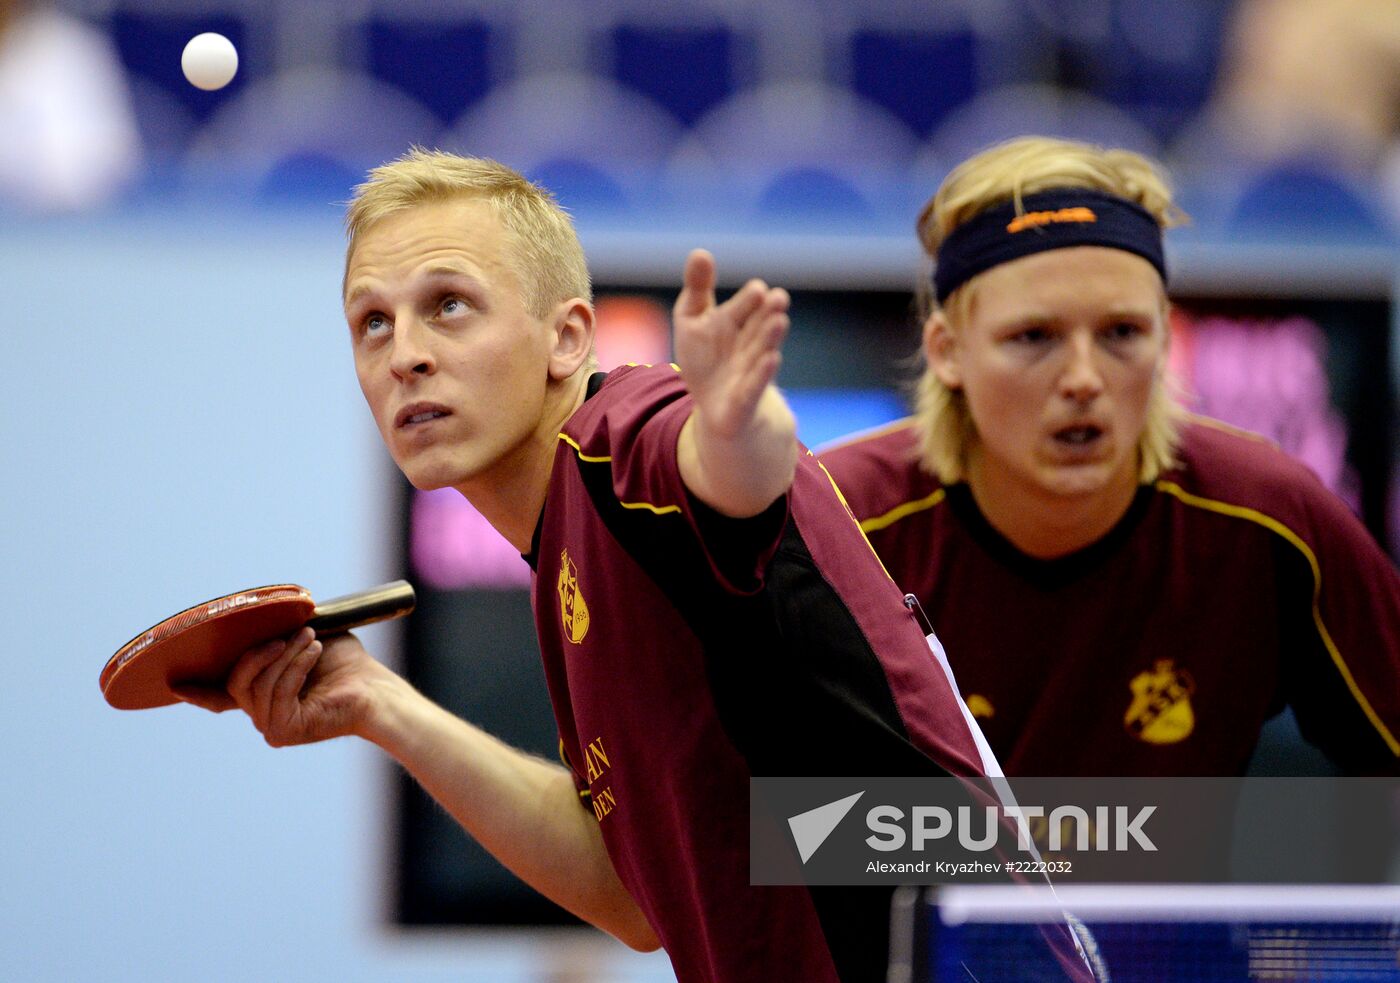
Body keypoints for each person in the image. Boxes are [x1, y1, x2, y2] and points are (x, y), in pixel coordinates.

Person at [172, 149, 1092, 982]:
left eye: (448, 305)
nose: (405, 354)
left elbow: (726, 471)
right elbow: (632, 900)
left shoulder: (629, 440)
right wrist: (384, 707)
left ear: (569, 338)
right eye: (372, 323)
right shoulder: (567, 556)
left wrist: (738, 423)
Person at [819, 136, 1400, 778]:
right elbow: (756, 826)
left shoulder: (1274, 518)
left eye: (1122, 333)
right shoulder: (837, 527)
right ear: (947, 351)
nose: (1084, 379)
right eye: (1033, 337)